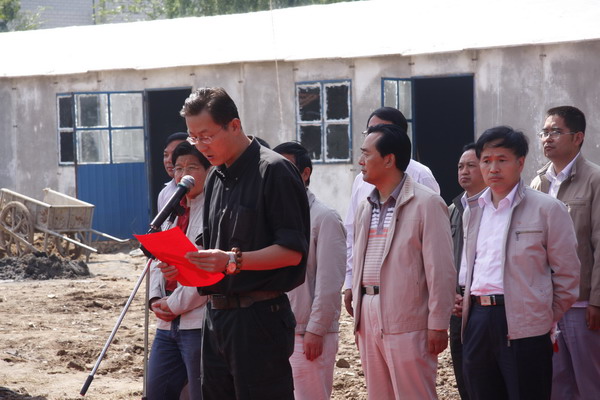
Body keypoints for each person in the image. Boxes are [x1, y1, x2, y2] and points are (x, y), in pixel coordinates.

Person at [179, 87, 311, 400]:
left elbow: (292, 252)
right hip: (216, 317)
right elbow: (210, 242)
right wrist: (185, 261)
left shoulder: (274, 170)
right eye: (194, 138)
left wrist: (232, 261)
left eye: (207, 136)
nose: (201, 146)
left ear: (234, 125)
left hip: (259, 318)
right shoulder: (215, 177)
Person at [461, 126, 580, 400]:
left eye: (502, 160)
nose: (493, 168)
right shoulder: (473, 210)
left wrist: (542, 315)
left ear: (520, 162)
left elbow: (568, 275)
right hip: (478, 319)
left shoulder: (547, 209)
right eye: (486, 160)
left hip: (526, 323)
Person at [351, 123, 455, 399]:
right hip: (368, 312)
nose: (360, 161)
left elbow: (441, 270)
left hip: (408, 317)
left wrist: (438, 323)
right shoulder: (365, 205)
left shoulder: (427, 203)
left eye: (366, 154)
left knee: (414, 393)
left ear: (389, 159)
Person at [530, 106, 600, 400]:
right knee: (556, 384)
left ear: (578, 137)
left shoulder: (595, 180)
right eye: (544, 132)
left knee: (590, 382)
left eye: (556, 132)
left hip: (582, 304)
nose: (547, 138)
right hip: (546, 305)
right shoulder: (538, 183)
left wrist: (596, 300)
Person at [343, 107, 440, 315]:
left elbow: (435, 248)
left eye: (381, 130)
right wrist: (350, 281)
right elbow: (352, 233)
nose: (373, 136)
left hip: (408, 299)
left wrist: (437, 313)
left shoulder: (421, 176)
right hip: (367, 296)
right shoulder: (361, 180)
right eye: (369, 131)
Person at [273, 141, 346, 400]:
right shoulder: (272, 216)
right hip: (275, 329)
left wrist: (316, 329)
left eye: (286, 169)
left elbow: (330, 281)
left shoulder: (324, 217)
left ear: (305, 174)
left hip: (306, 334)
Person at [147, 141, 211, 400]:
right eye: (179, 168)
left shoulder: (214, 212)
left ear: (208, 171)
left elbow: (208, 271)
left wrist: (174, 304)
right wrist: (154, 299)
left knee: (199, 392)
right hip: (166, 323)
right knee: (157, 390)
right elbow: (156, 259)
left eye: (192, 167)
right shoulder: (171, 211)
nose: (184, 174)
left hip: (197, 323)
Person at [448, 143, 487, 400]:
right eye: (460, 166)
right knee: (463, 374)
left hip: (485, 305)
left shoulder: (495, 209)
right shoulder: (452, 210)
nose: (464, 171)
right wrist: (450, 294)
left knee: (485, 377)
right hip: (457, 304)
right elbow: (443, 259)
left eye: (471, 165)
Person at [157, 132, 189, 216]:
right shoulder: (164, 193)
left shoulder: (203, 189)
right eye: (166, 155)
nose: (169, 160)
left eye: (176, 154)